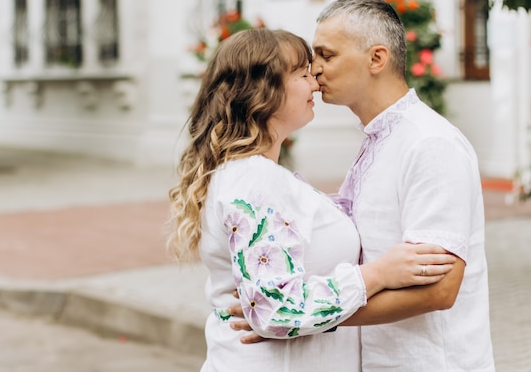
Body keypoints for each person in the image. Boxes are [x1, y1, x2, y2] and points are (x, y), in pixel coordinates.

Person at [231, 0, 496, 371]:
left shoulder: (430, 144)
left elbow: (440, 288)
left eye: (327, 55)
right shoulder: (380, 138)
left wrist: (301, 319)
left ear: (377, 58)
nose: (316, 71)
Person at [167, 27, 456, 372]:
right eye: (303, 73)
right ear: (264, 91)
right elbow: (276, 310)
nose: (315, 83)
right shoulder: (254, 181)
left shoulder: (260, 176)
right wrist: (377, 274)